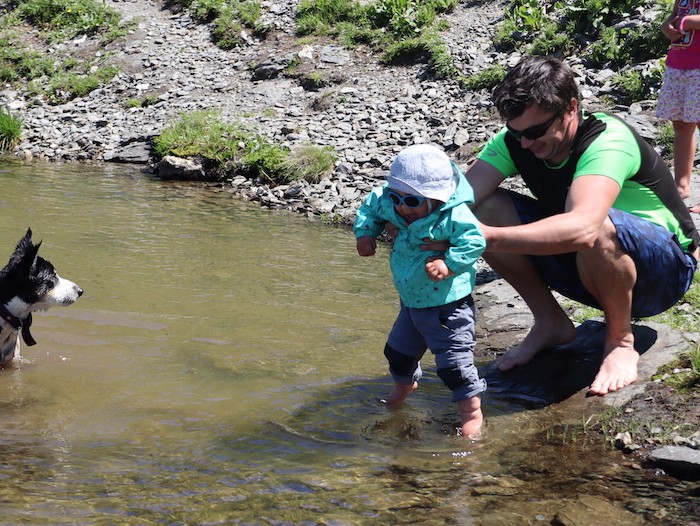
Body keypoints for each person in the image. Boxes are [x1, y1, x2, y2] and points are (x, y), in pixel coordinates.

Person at [458, 55, 699, 396]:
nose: (525, 143)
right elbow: (460, 201)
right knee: (485, 208)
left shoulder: (606, 140)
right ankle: (550, 323)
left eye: (535, 132)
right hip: (590, 266)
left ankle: (620, 341)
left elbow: (585, 227)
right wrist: (400, 214)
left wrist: (489, 238)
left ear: (571, 107)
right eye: (516, 133)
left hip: (664, 273)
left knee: (595, 225)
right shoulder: (518, 139)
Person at [354, 143, 487, 437]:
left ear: (436, 199)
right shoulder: (389, 201)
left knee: (454, 365)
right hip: (411, 303)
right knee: (397, 353)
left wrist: (449, 264)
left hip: (448, 307)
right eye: (396, 197)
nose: (402, 207)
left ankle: (472, 413)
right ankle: (404, 388)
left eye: (412, 201)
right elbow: (369, 207)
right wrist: (366, 234)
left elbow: (474, 241)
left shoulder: (453, 216)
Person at [657, 0, 700, 211]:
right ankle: (681, 185)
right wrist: (667, 26)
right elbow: (675, 15)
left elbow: (686, 19)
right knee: (681, 125)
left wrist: (689, 21)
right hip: (679, 65)